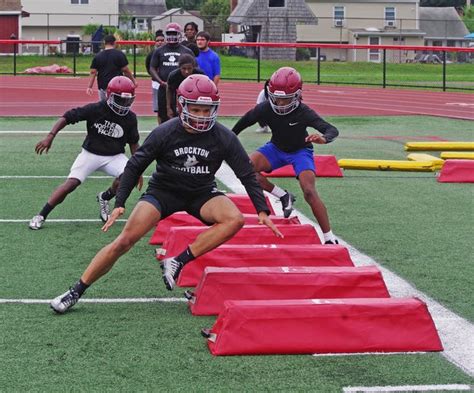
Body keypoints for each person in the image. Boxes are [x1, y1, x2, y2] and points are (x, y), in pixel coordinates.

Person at [50, 74, 282, 314]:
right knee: (124, 241)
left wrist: (262, 210)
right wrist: (120, 202)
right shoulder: (166, 131)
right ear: (182, 105)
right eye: (197, 109)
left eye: (207, 110)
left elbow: (246, 172)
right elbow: (135, 165)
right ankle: (75, 290)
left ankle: (177, 261)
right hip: (164, 191)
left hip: (201, 193)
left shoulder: (224, 136)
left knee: (235, 219)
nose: (202, 116)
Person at [232, 67, 339, 245]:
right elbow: (242, 123)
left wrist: (323, 138)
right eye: (277, 98)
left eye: (285, 99)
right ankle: (283, 195)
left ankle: (329, 237)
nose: (280, 103)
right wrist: (227, 139)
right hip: (276, 148)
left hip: (300, 151)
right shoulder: (265, 107)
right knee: (246, 170)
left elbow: (331, 130)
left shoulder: (304, 111)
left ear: (297, 95)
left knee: (309, 191)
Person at [29, 76, 142, 230]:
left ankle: (105, 197)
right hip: (90, 154)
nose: (124, 104)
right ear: (109, 95)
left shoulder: (130, 118)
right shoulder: (96, 109)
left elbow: (134, 143)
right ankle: (41, 215)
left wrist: (137, 169)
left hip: (114, 156)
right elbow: (67, 117)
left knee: (129, 176)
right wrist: (50, 136)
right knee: (70, 184)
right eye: (120, 99)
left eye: (127, 100)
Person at [149, 23, 194, 124]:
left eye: (174, 33)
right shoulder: (159, 51)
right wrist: (160, 81)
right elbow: (152, 67)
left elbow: (194, 68)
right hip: (164, 87)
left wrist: (187, 83)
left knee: (183, 113)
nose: (171, 36)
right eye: (169, 33)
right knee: (163, 114)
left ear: (179, 34)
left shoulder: (186, 51)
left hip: (182, 89)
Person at [87, 34, 137, 101]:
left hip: (103, 85)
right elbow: (125, 70)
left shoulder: (98, 56)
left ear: (104, 43)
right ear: (114, 43)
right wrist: (133, 81)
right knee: (117, 106)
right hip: (117, 86)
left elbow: (93, 72)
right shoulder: (119, 54)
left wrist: (89, 86)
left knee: (104, 107)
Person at [166, 54, 205, 119]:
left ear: (193, 67)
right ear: (179, 67)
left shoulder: (200, 75)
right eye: (184, 69)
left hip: (195, 100)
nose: (186, 71)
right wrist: (168, 107)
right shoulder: (173, 76)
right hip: (179, 101)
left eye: (189, 69)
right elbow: (169, 90)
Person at [146, 30, 166, 123]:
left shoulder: (168, 52)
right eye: (158, 41)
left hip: (168, 83)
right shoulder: (151, 54)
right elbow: (149, 67)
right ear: (155, 42)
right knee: (158, 109)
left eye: (162, 40)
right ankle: (160, 127)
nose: (160, 42)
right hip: (156, 84)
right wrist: (156, 77)